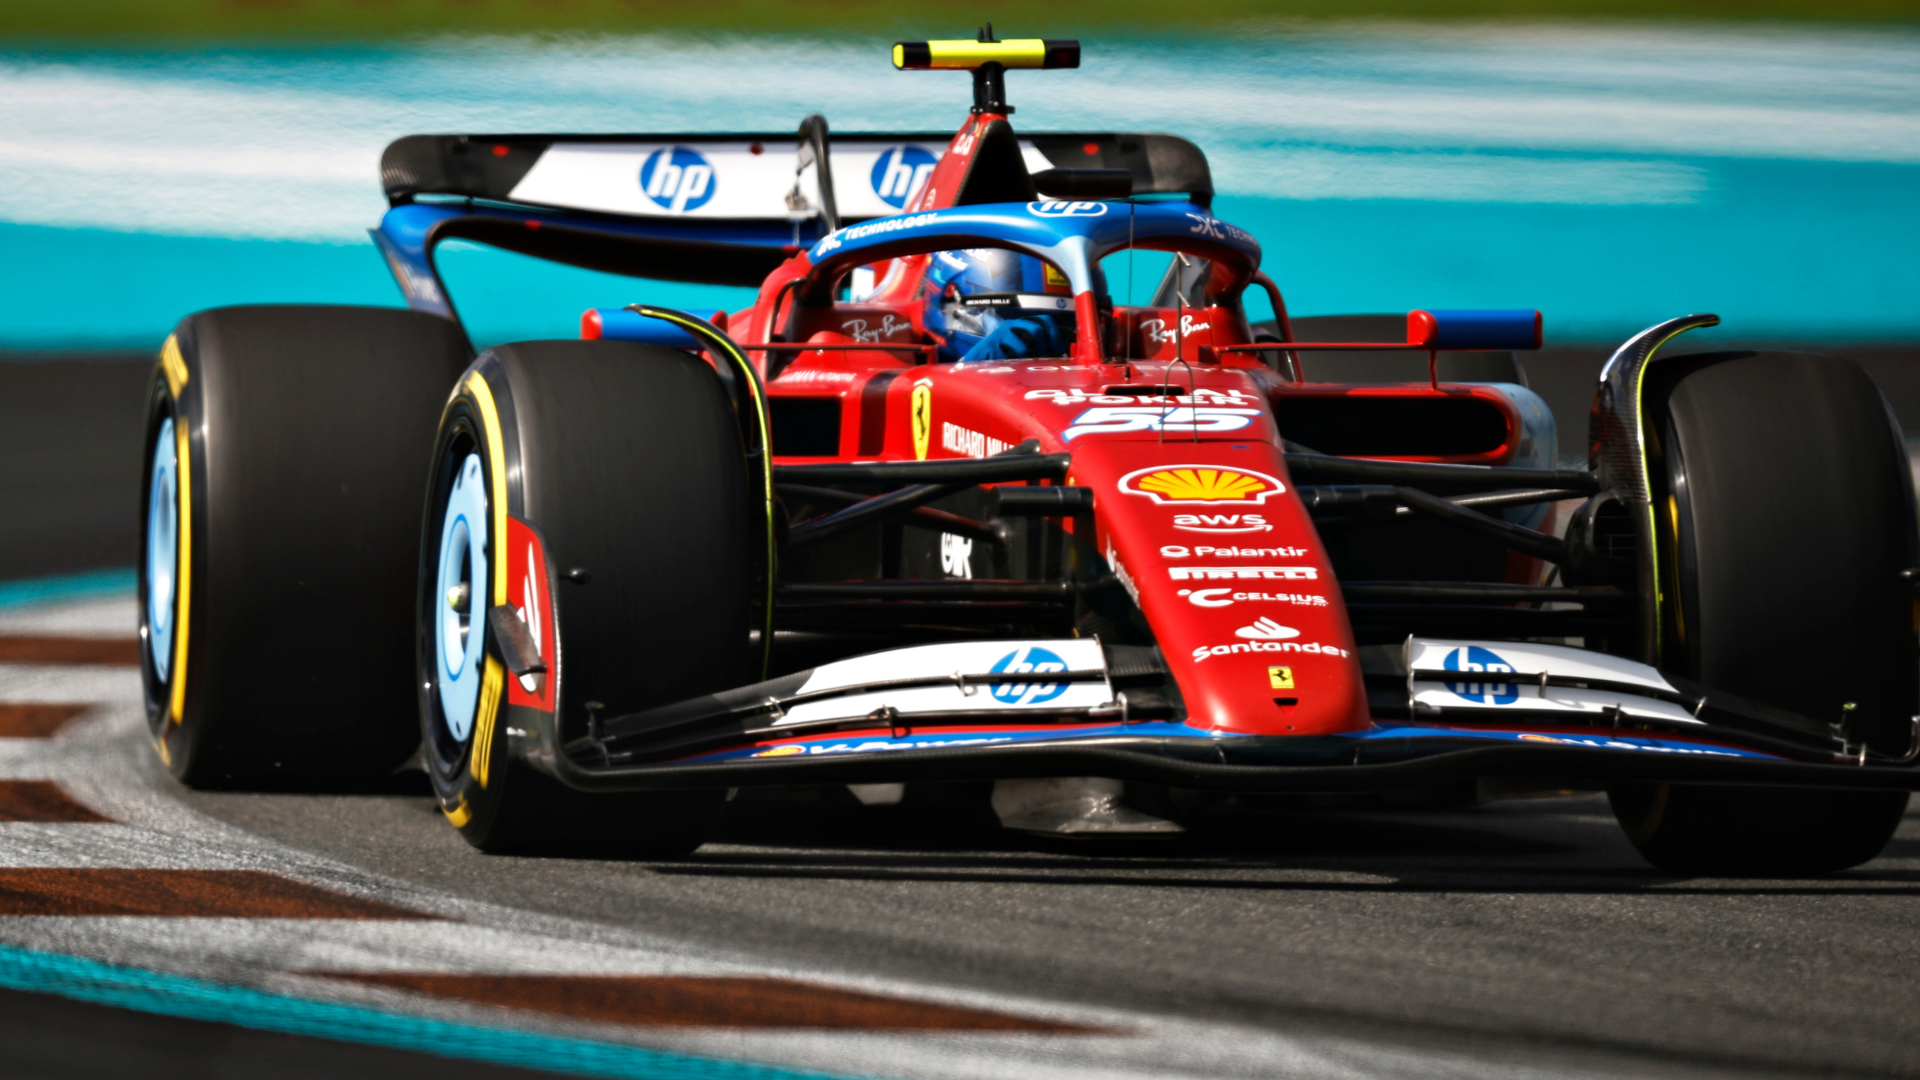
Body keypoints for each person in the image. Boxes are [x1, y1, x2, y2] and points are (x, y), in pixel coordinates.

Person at [923, 247, 1077, 363]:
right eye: (1023, 320)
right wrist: (965, 372)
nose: (1039, 334)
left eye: (1066, 322)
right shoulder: (909, 354)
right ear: (953, 301)